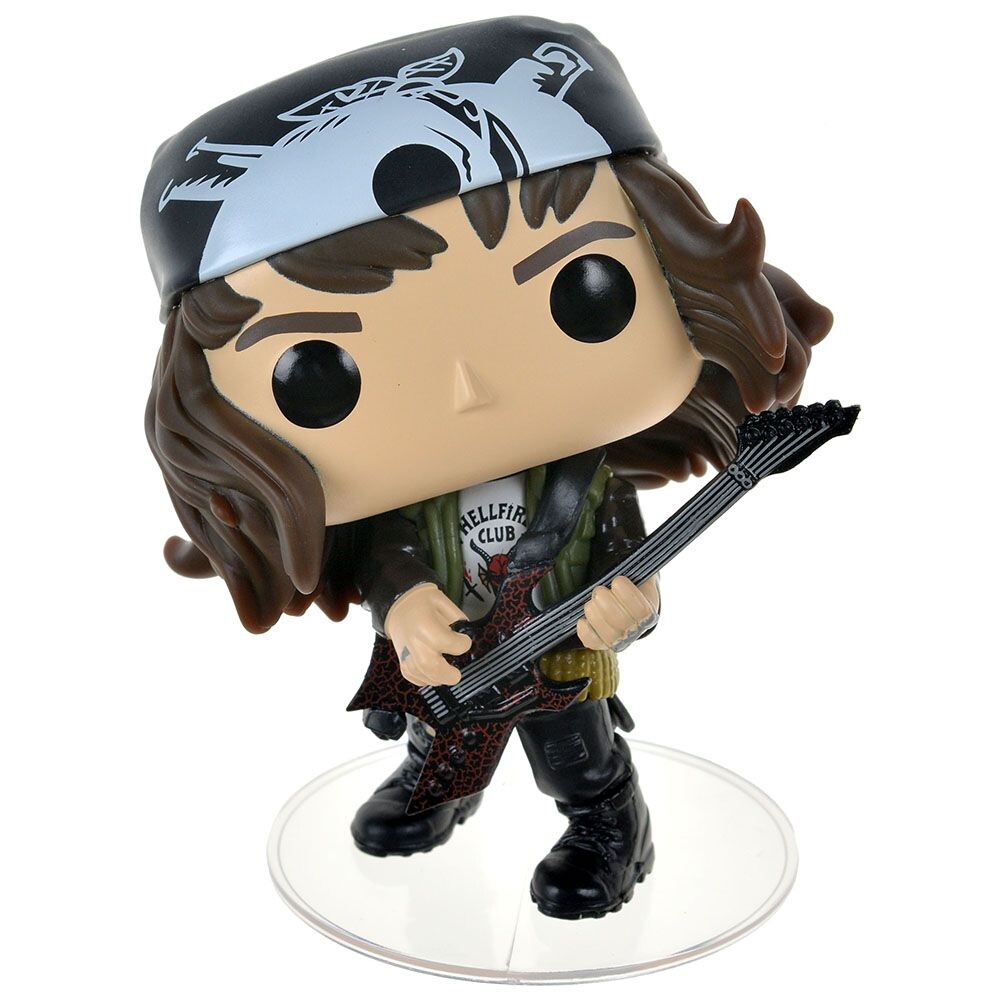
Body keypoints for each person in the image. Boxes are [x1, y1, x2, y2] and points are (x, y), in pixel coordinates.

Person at [142, 17, 832, 919]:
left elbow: (624, 555)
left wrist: (633, 609)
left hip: (556, 654)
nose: (468, 388)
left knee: (574, 751)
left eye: (586, 290)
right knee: (440, 719)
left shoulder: (587, 484)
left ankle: (609, 824)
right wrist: (401, 605)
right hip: (452, 656)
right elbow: (388, 555)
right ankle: (440, 781)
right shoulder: (403, 504)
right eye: (316, 374)